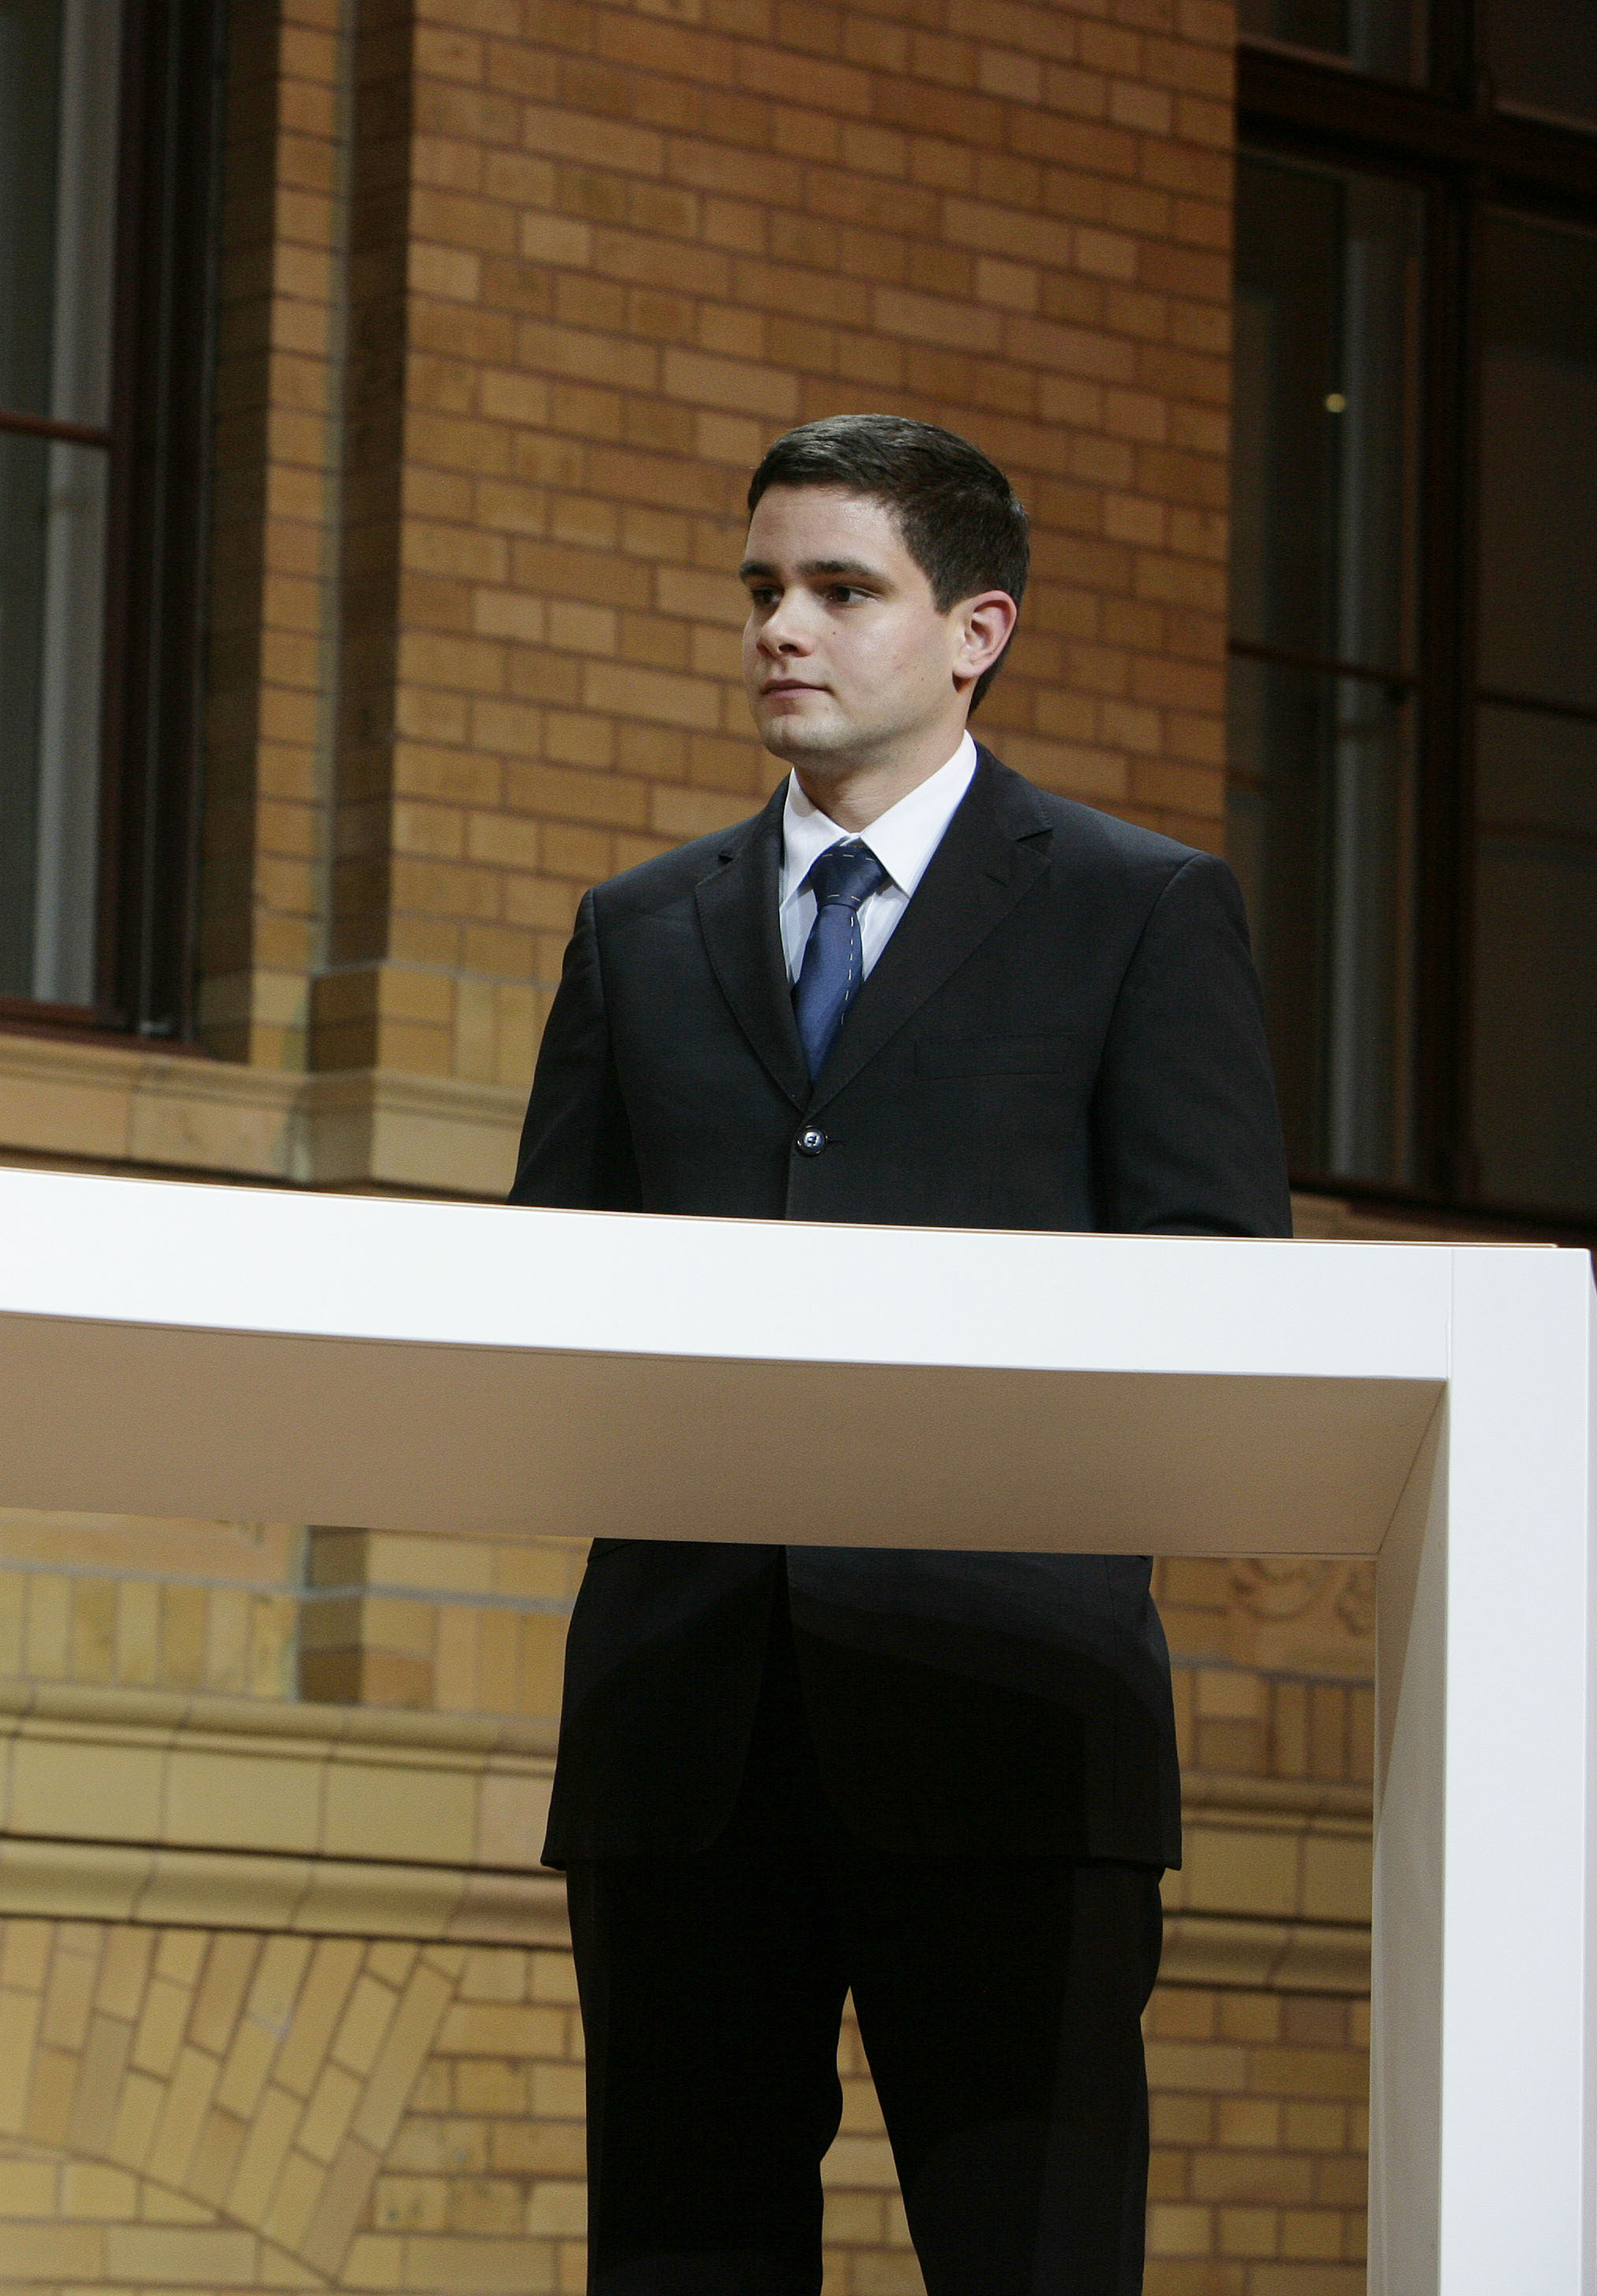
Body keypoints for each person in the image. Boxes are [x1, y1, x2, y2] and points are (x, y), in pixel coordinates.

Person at [508, 414, 1291, 2294]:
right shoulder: (636, 931)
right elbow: (549, 1303)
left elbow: (1216, 1305)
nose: (781, 626)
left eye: (842, 588)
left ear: (976, 630)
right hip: (686, 1732)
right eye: (763, 587)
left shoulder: (1137, 908)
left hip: (1008, 1715)